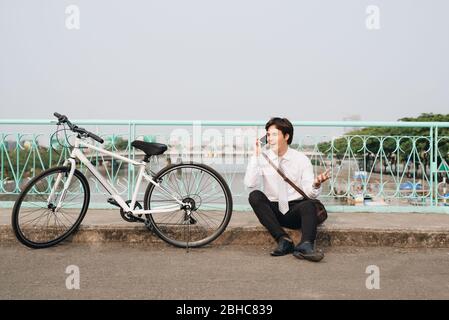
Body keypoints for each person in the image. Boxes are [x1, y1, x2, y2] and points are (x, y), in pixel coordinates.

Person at [244, 117, 330, 262]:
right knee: (255, 196)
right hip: (274, 210)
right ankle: (283, 240)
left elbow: (310, 193)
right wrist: (255, 156)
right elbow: (250, 183)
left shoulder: (301, 159)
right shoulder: (263, 158)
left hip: (296, 210)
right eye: (268, 135)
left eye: (274, 134)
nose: (270, 138)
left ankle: (306, 245)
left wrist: (316, 184)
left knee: (309, 204)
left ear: (286, 136)